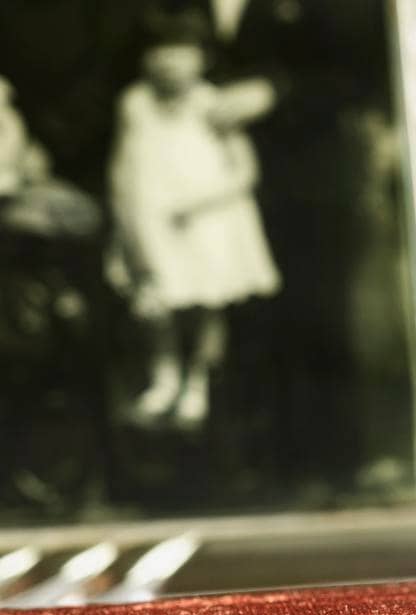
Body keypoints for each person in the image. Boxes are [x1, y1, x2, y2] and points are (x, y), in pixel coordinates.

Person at [106, 10, 280, 429]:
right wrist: (123, 222)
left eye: (182, 53)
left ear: (202, 58)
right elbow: (122, 167)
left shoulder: (213, 104)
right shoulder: (134, 104)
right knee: (157, 304)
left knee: (206, 307)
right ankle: (164, 375)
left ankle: (199, 381)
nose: (169, 62)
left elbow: (244, 171)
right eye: (159, 52)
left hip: (207, 224)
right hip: (154, 222)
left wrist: (198, 202)